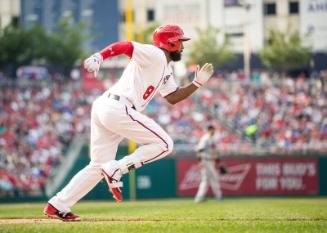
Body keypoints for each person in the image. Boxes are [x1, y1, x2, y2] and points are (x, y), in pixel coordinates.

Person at [43, 24, 214, 221]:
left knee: (98, 165)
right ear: (171, 42)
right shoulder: (155, 54)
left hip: (107, 107)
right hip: (118, 107)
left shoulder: (165, 67)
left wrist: (196, 84)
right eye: (180, 42)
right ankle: (117, 168)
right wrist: (100, 56)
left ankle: (58, 204)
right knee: (165, 144)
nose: (183, 47)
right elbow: (126, 46)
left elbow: (173, 97)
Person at [194, 125, 223, 203]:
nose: (214, 131)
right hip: (205, 160)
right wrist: (200, 162)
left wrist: (218, 162)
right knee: (214, 177)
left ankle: (199, 198)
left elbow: (214, 151)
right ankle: (218, 196)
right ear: (209, 130)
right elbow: (199, 150)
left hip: (210, 161)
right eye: (213, 130)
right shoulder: (205, 138)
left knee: (205, 180)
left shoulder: (212, 138)